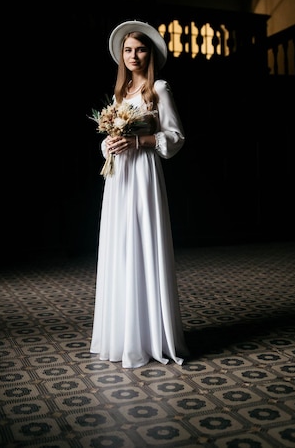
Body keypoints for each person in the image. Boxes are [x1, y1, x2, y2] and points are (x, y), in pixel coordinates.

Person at [90, 20, 189, 368]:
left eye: (140, 49)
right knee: (121, 247)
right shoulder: (121, 93)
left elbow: (175, 138)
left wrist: (136, 141)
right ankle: (122, 333)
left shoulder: (158, 88)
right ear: (122, 55)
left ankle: (150, 337)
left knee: (143, 243)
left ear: (150, 53)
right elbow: (110, 142)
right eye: (128, 50)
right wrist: (110, 143)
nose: (133, 55)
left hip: (144, 175)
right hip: (119, 179)